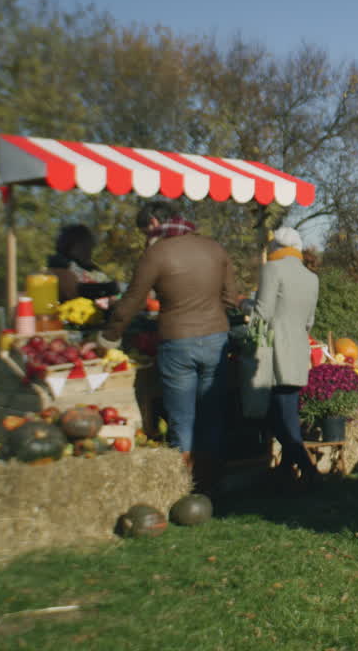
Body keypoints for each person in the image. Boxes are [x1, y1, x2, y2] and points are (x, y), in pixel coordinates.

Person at [98, 200, 239, 496]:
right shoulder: (214, 248)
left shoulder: (156, 253)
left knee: (181, 417)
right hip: (216, 337)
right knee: (211, 414)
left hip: (177, 340)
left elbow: (133, 300)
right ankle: (211, 483)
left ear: (155, 225)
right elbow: (230, 298)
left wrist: (109, 337)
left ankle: (182, 486)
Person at [253, 227, 321, 489]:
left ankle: (307, 467)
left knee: (275, 415)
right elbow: (309, 321)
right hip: (297, 349)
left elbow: (263, 314)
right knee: (288, 410)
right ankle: (288, 472)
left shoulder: (272, 269)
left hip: (272, 351)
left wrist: (248, 316)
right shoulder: (310, 277)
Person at [47, 224, 120, 302]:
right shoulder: (59, 267)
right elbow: (72, 291)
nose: (88, 251)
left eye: (90, 247)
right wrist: (107, 288)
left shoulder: (93, 270)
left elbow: (114, 297)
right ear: (71, 245)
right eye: (84, 246)